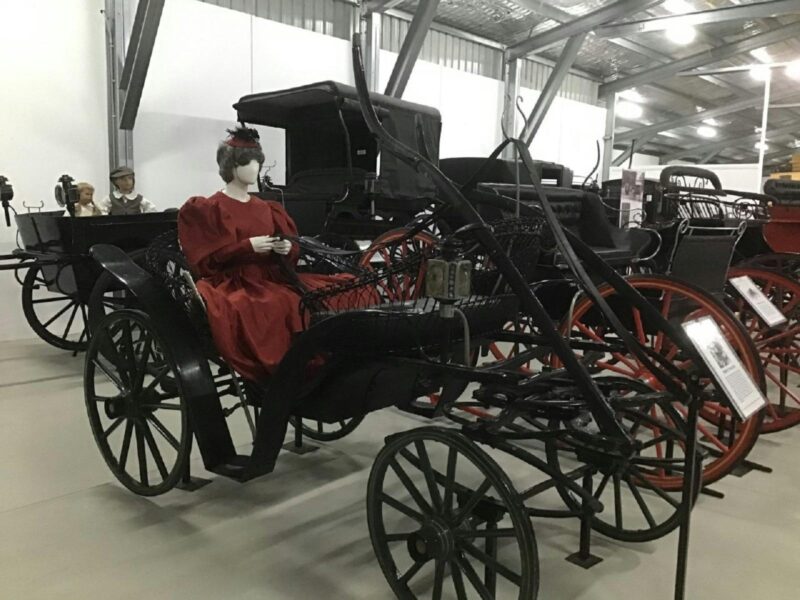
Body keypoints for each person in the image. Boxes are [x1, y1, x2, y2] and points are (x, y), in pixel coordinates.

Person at [178, 127, 372, 381]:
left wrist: (286, 249)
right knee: (278, 303)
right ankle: (286, 367)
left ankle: (324, 355)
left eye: (258, 161)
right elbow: (206, 260)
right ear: (231, 166)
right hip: (234, 281)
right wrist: (247, 247)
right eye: (248, 162)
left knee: (332, 290)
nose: (255, 168)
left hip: (271, 277)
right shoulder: (209, 208)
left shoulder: (267, 208)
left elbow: (290, 249)